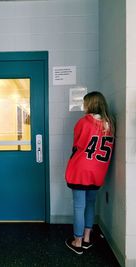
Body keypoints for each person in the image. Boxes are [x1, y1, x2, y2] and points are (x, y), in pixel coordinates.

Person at [65, 91, 115, 255]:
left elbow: (77, 144)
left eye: (85, 103)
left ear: (90, 104)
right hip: (98, 170)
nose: (83, 106)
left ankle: (77, 241)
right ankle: (87, 238)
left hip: (81, 169)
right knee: (91, 204)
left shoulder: (84, 122)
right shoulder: (111, 123)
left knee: (79, 206)